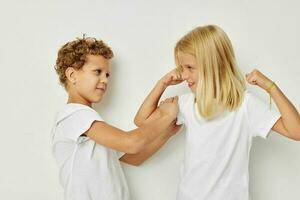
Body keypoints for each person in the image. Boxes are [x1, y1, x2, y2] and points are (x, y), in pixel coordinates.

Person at [134, 25, 300, 200]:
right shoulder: (187, 104)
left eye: (190, 68)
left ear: (213, 66)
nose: (183, 75)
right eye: (181, 68)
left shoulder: (245, 105)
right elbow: (142, 121)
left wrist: (271, 87)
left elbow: (296, 131)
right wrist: (162, 84)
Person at [51, 36, 181, 200]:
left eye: (107, 75)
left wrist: (167, 133)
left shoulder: (92, 125)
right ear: (72, 75)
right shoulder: (73, 115)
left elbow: (135, 157)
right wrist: (165, 116)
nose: (105, 80)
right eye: (97, 72)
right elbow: (131, 143)